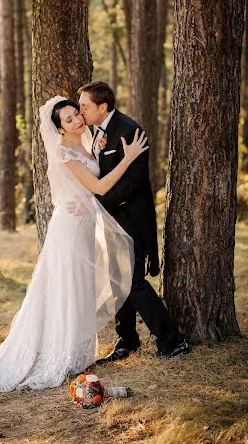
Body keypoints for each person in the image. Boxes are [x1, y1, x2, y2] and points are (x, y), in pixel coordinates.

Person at [0, 95, 148, 393]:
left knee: (80, 286)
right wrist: (129, 158)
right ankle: (59, 355)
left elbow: (91, 183)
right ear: (60, 129)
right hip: (69, 229)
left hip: (83, 227)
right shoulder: (65, 152)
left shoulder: (89, 140)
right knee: (65, 287)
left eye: (77, 114)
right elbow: (100, 186)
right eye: (69, 120)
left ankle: (77, 354)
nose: (78, 120)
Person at [78, 81, 189, 361]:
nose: (80, 111)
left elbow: (134, 181)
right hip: (111, 220)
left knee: (134, 282)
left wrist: (97, 203)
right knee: (118, 282)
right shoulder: (97, 132)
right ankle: (127, 340)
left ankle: (172, 340)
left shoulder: (130, 130)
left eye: (84, 106)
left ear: (103, 107)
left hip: (131, 219)